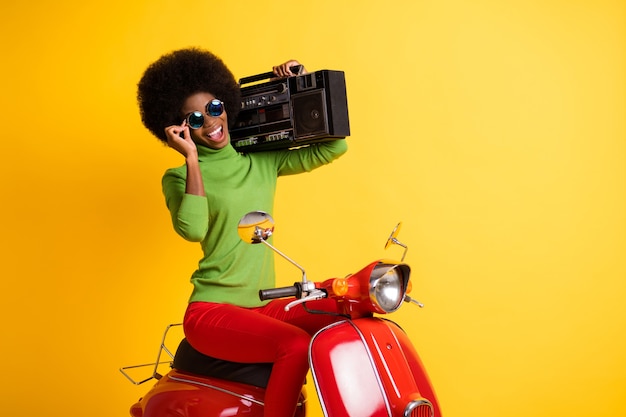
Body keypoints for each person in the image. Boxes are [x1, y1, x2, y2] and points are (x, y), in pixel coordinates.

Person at [137, 47, 348, 417]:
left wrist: (298, 88)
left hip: (266, 306)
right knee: (295, 347)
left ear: (227, 105)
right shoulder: (178, 177)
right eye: (195, 118)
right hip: (212, 312)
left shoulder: (262, 160)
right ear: (179, 126)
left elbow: (335, 145)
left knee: (346, 307)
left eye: (215, 108)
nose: (211, 122)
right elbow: (193, 228)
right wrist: (190, 159)